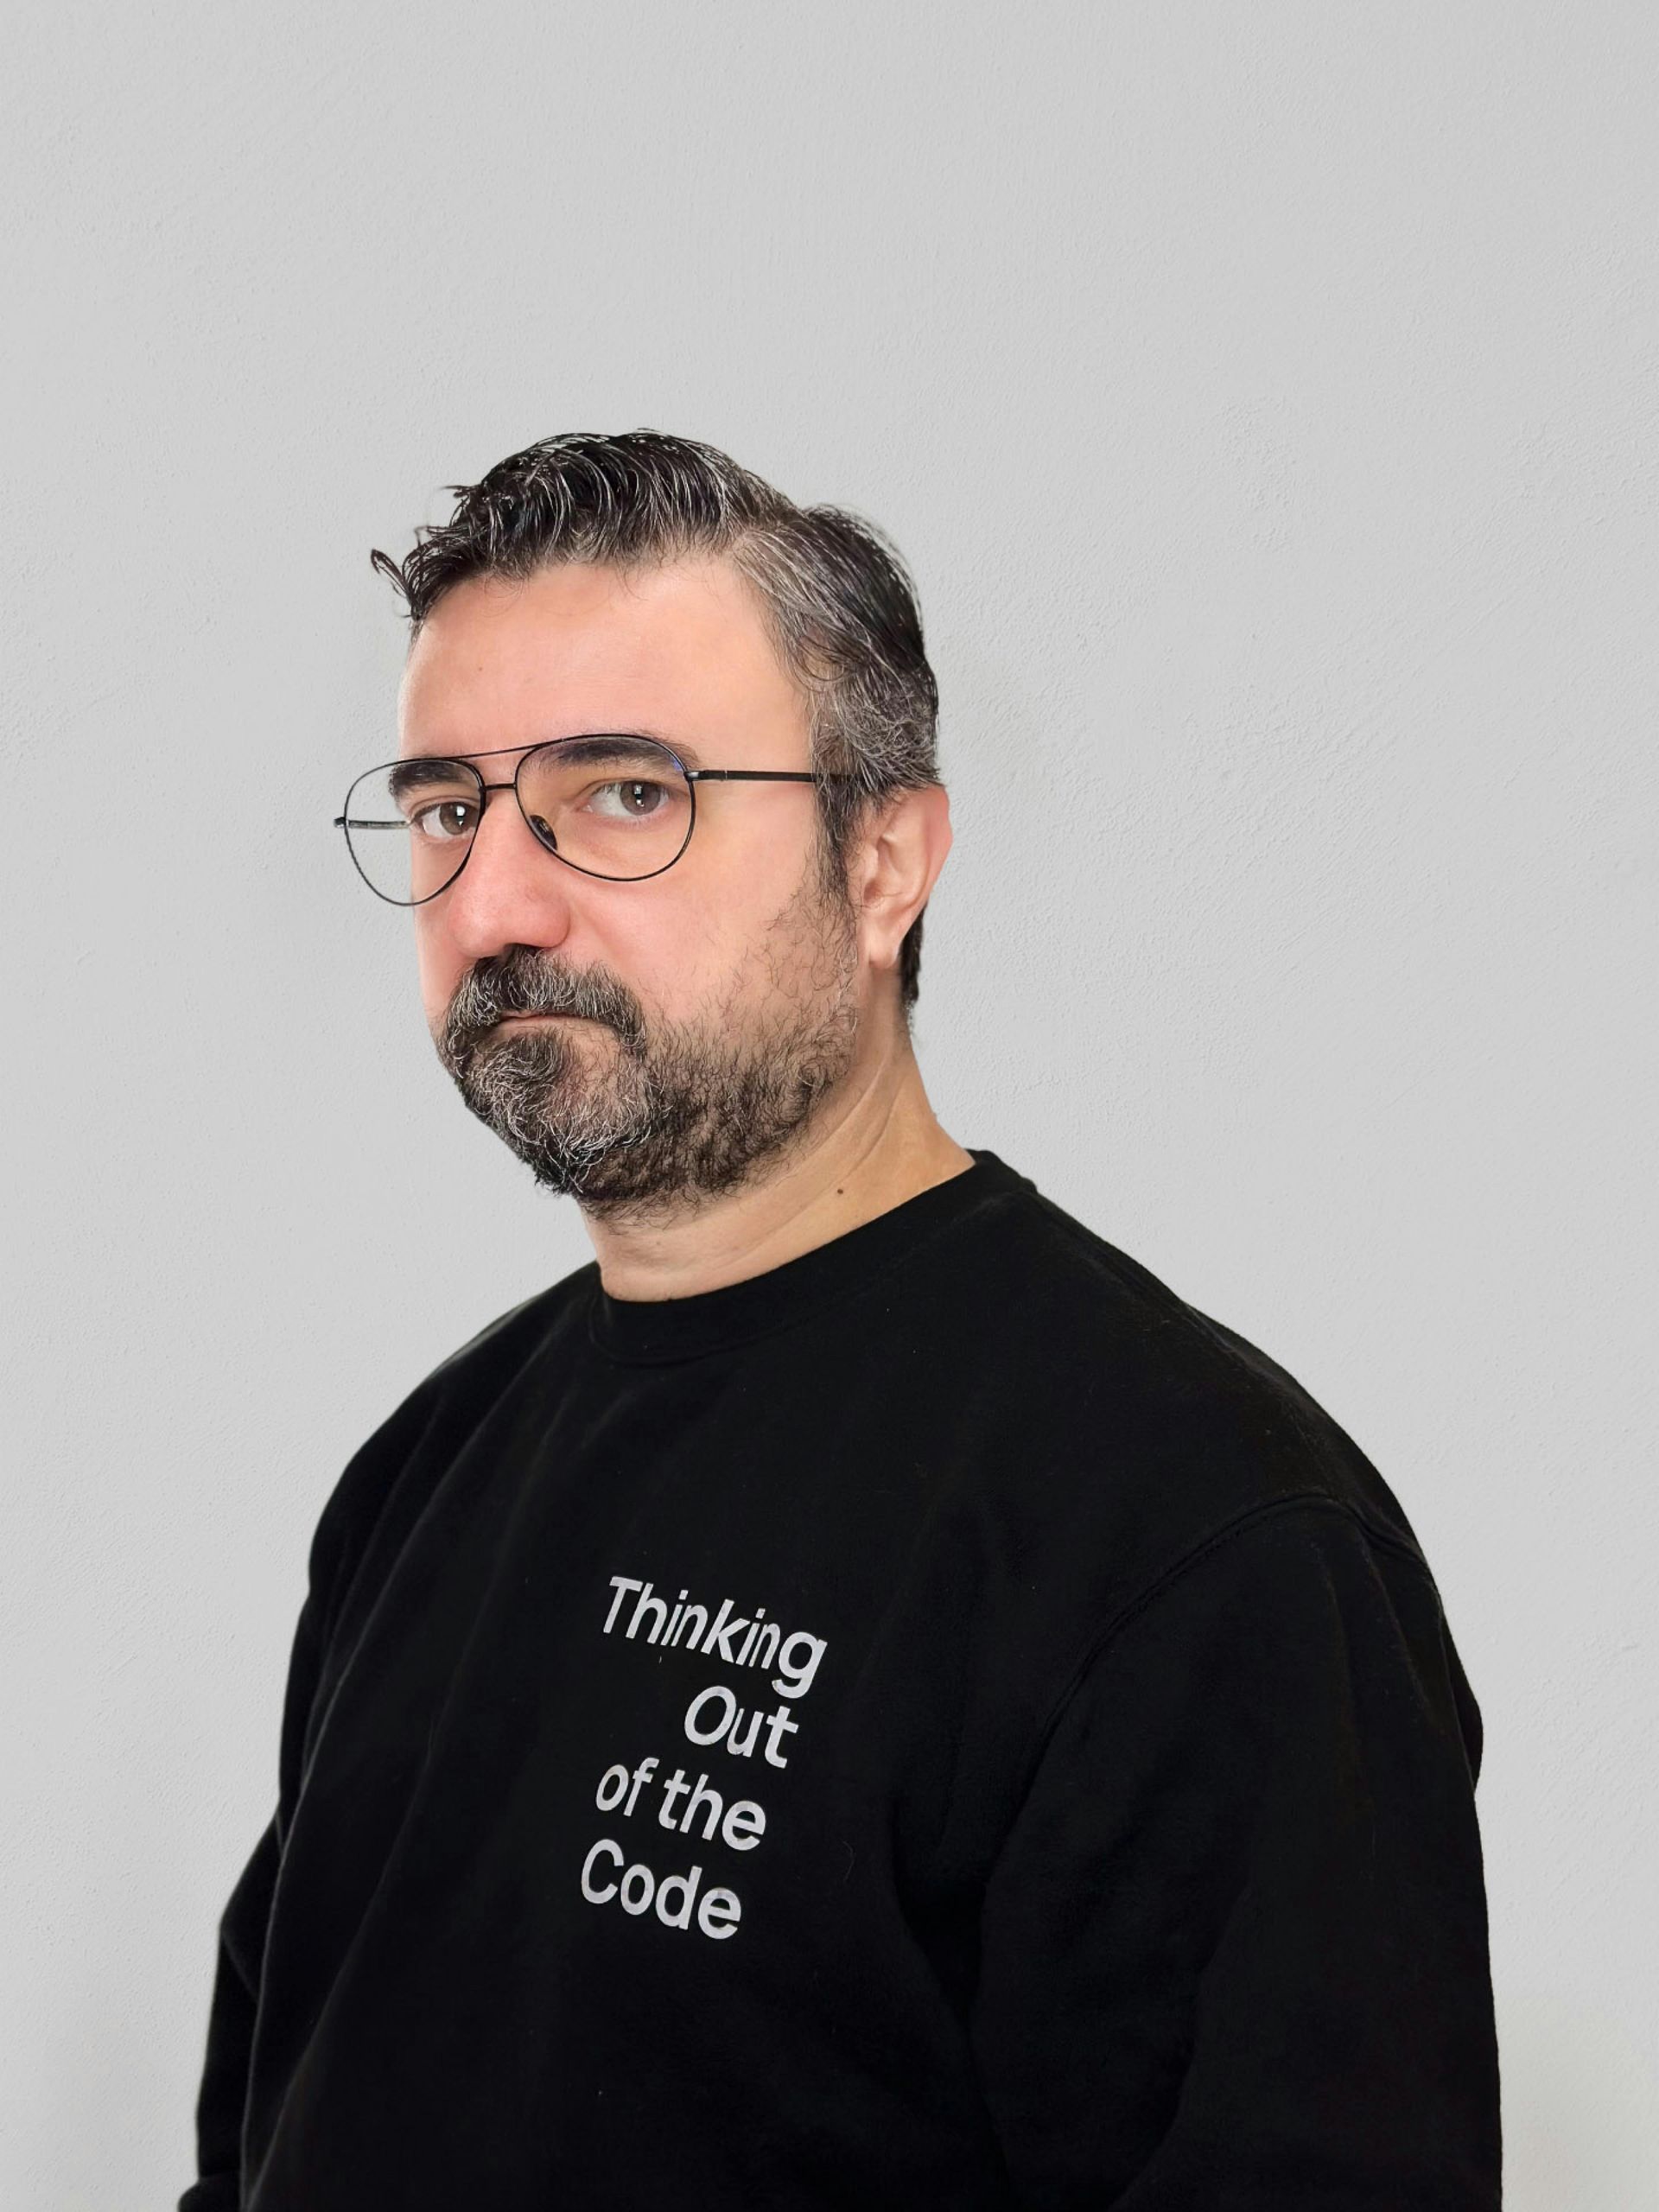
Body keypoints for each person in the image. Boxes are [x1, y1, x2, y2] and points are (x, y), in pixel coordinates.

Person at [180, 430, 1501, 2209]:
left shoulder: (1197, 1534)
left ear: (887, 860)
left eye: (623, 792)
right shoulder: (424, 1472)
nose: (495, 900)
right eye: (445, 807)